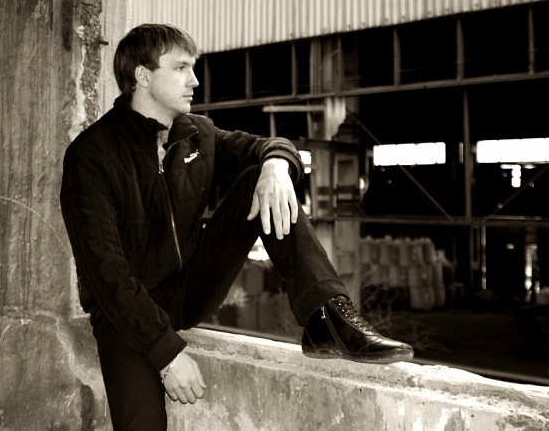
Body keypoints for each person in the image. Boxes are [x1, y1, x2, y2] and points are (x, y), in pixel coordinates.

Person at [60, 24, 413, 430]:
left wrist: (276, 166)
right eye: (181, 68)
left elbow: (267, 146)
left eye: (194, 67)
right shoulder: (92, 155)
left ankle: (327, 317)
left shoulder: (198, 134)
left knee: (258, 182)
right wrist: (166, 353)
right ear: (143, 75)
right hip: (124, 313)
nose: (194, 80)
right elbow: (105, 273)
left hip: (189, 288)